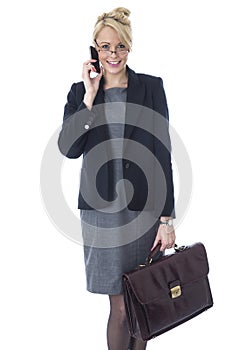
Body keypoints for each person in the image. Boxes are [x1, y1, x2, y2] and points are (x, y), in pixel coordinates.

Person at [58, 7, 176, 350]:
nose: (113, 55)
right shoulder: (79, 94)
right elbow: (69, 148)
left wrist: (167, 218)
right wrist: (89, 96)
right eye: (105, 47)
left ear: (129, 47)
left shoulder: (151, 88)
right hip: (101, 213)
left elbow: (162, 154)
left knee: (143, 300)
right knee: (121, 305)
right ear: (94, 48)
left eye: (120, 47)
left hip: (145, 211)